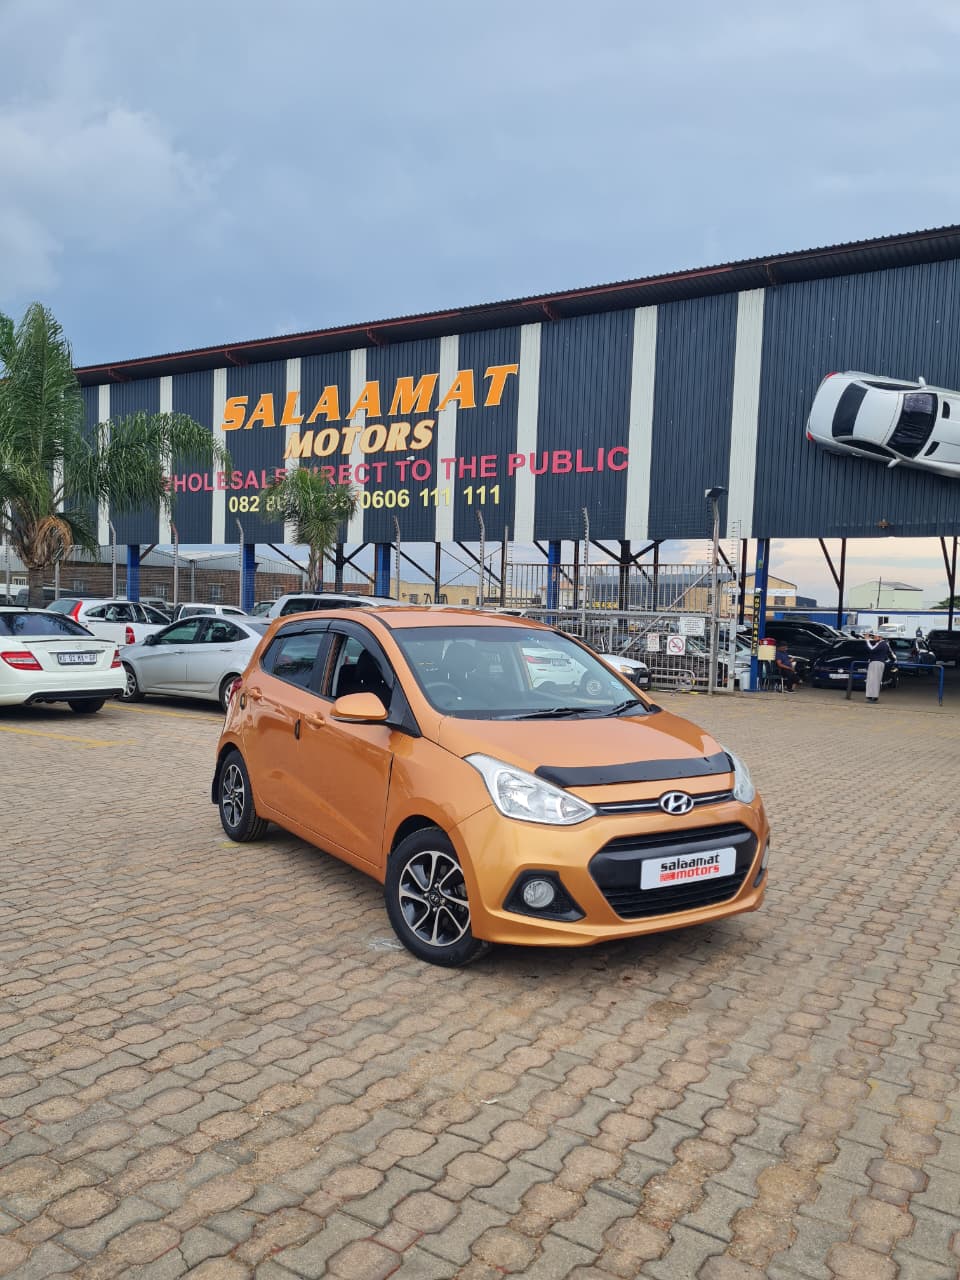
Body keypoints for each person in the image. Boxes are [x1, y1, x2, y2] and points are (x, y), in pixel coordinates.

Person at [864, 632, 892, 703]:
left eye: (876, 637)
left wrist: (867, 640)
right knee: (872, 680)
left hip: (876, 662)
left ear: (881, 637)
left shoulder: (881, 644)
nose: (874, 638)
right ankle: (871, 696)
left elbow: (871, 649)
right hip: (877, 662)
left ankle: (874, 697)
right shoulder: (883, 644)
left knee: (874, 680)